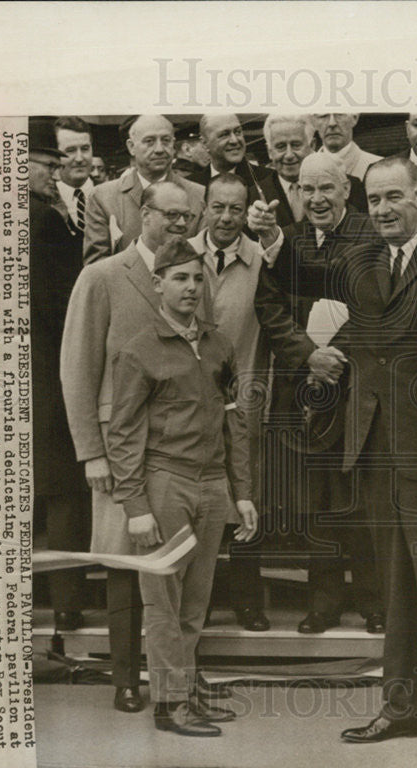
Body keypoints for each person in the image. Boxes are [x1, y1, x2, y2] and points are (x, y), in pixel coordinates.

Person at [251, 156, 417, 759]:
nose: (382, 209)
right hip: (375, 448)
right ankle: (402, 708)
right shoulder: (368, 260)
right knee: (395, 590)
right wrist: (277, 243)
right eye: (374, 199)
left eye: (394, 198)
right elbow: (311, 285)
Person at [61, 182, 206, 714]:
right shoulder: (102, 275)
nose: (179, 225)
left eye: (188, 216)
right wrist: (91, 451)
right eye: (169, 215)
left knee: (177, 566)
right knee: (125, 562)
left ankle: (180, 680)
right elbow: (77, 366)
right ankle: (126, 677)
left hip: (178, 445)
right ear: (143, 214)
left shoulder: (192, 274)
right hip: (117, 444)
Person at [105, 238, 256, 736]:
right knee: (163, 603)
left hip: (212, 486)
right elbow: (123, 432)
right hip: (165, 483)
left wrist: (243, 492)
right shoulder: (139, 350)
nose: (190, 288)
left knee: (195, 601)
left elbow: (235, 423)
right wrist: (135, 504)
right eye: (179, 278)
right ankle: (170, 707)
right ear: (157, 284)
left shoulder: (219, 346)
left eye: (196, 278)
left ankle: (186, 692)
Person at [252, 152, 384, 635]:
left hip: (359, 388)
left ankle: (376, 601)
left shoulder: (372, 235)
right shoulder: (289, 241)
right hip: (305, 388)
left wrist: (334, 356)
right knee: (316, 499)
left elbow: (379, 306)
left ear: (346, 190)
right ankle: (324, 603)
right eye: (306, 190)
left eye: (325, 188)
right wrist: (308, 355)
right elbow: (268, 304)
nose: (316, 199)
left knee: (362, 498)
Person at [188, 173, 272, 632]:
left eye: (235, 209)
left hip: (244, 395)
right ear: (205, 206)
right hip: (186, 398)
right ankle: (194, 605)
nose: (225, 217)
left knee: (245, 495)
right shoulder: (182, 257)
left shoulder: (261, 260)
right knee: (193, 497)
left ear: (246, 213)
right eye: (218, 206)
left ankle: (247, 601)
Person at [28, 119, 90, 632]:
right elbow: (60, 304)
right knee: (66, 487)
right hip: (48, 371)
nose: (56, 172)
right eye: (47, 165)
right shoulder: (43, 220)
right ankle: (67, 602)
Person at [82, 115, 206, 264]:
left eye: (165, 140)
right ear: (131, 147)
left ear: (173, 145)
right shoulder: (103, 197)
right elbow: (97, 266)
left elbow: (204, 262)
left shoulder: (199, 195)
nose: (159, 149)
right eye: (149, 141)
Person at [257, 114, 367, 227]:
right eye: (280, 146)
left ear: (312, 145)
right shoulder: (255, 194)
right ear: (269, 151)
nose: (289, 155)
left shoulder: (349, 185)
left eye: (296, 145)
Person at [186, 114, 267, 207]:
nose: (234, 140)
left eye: (238, 132)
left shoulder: (268, 180)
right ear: (205, 143)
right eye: (224, 135)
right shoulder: (190, 187)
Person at [53, 116, 95, 240]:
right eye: (70, 151)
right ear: (56, 154)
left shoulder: (110, 195)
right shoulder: (47, 201)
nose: (79, 158)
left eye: (85, 149)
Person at [311, 113, 381, 179]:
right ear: (314, 123)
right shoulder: (305, 168)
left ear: (354, 118)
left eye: (339, 114)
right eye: (323, 116)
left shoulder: (378, 167)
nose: (332, 123)